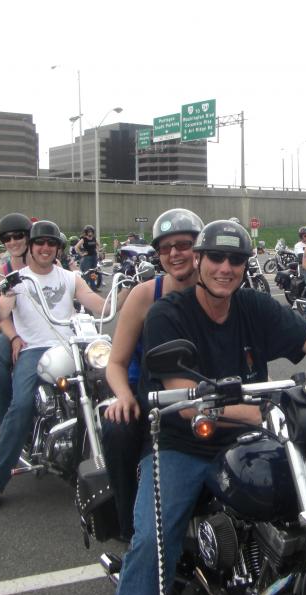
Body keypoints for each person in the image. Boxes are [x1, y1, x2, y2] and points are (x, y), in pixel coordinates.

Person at [116, 219, 306, 595]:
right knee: (154, 540)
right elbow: (186, 399)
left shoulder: (252, 305)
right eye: (216, 257)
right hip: (182, 443)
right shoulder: (167, 314)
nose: (225, 268)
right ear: (200, 260)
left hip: (255, 435)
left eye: (235, 259)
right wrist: (265, 413)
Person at [0, 220, 129, 512]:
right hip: (35, 350)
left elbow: (102, 307)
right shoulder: (17, 280)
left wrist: (129, 291)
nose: (45, 248)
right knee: (20, 407)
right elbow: (0, 313)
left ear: (57, 248)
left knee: (112, 388)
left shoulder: (70, 278)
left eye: (51, 243)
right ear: (31, 247)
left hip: (72, 344)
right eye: (40, 243)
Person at [102, 208, 204, 541]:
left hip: (202, 392)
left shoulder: (217, 287)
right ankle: (129, 525)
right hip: (146, 391)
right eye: (165, 247)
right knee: (118, 429)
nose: (174, 253)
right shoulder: (146, 294)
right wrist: (124, 396)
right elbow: (115, 362)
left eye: (183, 244)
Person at [0, 213, 33, 425]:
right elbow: (1, 314)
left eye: (18, 236)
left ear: (29, 236)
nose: (13, 242)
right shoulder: (3, 271)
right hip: (16, 328)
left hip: (50, 327)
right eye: (6, 238)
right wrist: (13, 338)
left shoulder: (46, 258)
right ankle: (6, 420)